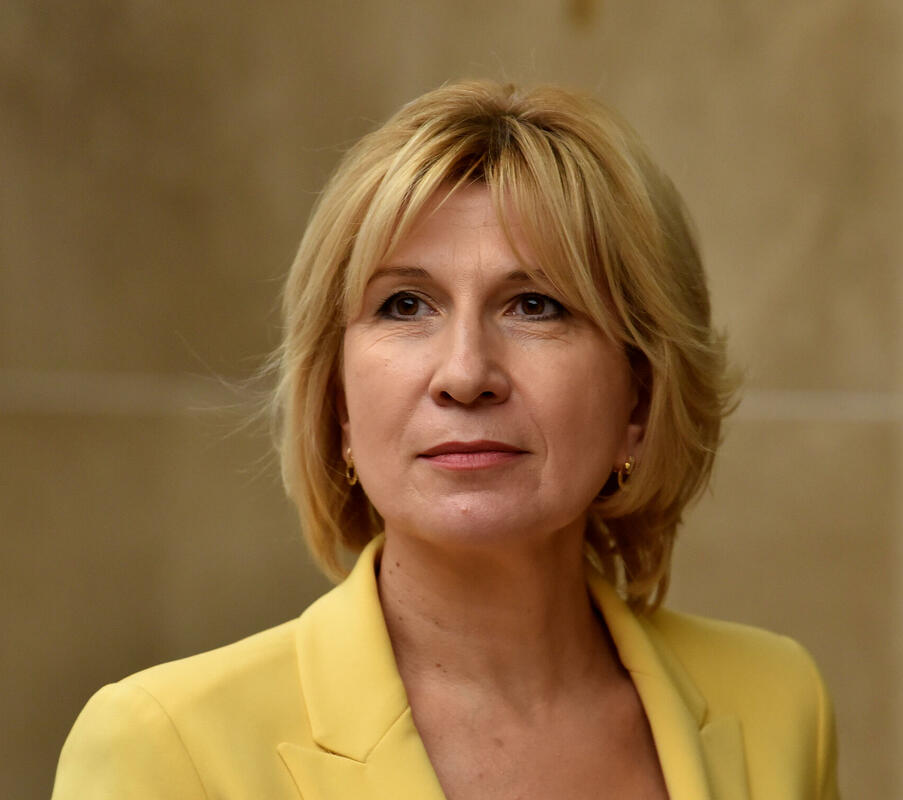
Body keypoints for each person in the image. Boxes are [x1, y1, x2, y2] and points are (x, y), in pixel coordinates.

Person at [53, 80, 839, 799]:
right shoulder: (164, 747)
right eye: (404, 305)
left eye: (535, 305)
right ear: (339, 404)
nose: (465, 374)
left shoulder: (778, 703)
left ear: (639, 395)